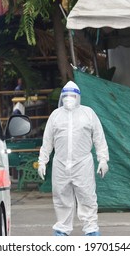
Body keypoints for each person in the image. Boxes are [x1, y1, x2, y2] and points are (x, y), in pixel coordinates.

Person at [37, 80, 109, 236]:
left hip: (82, 163)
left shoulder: (88, 113)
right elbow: (47, 141)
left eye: (72, 95)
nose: (69, 98)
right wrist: (42, 161)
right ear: (62, 97)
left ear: (78, 97)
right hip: (60, 164)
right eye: (66, 95)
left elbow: (99, 138)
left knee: (87, 197)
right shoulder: (55, 116)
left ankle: (91, 230)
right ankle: (62, 230)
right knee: (61, 197)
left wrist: (103, 159)